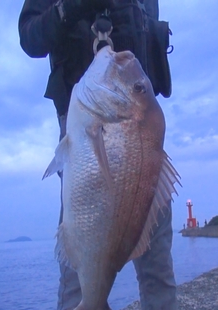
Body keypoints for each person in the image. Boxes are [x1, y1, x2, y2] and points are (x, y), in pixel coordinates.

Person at [19, 1, 176, 309]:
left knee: (157, 266)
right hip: (94, 122)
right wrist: (71, 7)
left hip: (137, 137)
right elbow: (29, 38)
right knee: (78, 278)